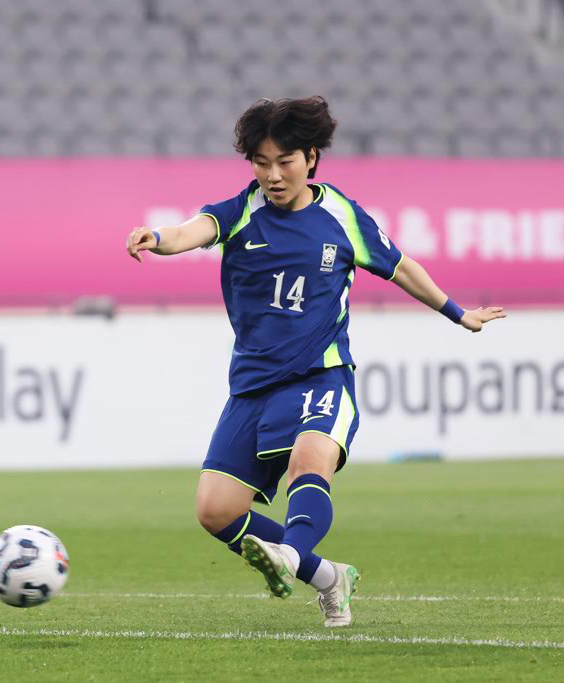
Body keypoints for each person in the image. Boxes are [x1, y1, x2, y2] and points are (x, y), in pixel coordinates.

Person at [124, 97, 505, 627]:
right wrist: (158, 238)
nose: (273, 175)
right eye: (261, 163)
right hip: (253, 387)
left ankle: (290, 555)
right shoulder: (242, 211)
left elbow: (401, 267)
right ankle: (328, 576)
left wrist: (457, 313)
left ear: (310, 158)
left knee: (310, 462)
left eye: (284, 162)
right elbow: (194, 230)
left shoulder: (343, 216)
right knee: (215, 511)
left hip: (321, 376)